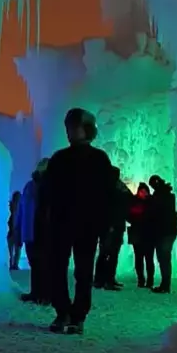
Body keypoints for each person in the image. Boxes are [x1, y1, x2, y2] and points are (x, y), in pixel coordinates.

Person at [42, 107, 117, 335]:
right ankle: (64, 312)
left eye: (73, 127)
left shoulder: (97, 159)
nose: (69, 132)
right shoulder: (60, 159)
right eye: (68, 127)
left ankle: (76, 315)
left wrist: (106, 227)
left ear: (86, 129)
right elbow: (48, 194)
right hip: (65, 223)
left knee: (82, 272)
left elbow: (106, 196)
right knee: (61, 269)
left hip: (83, 225)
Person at [16, 159, 50, 305]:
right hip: (31, 230)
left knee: (45, 264)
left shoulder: (52, 186)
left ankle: (45, 294)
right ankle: (36, 292)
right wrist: (18, 228)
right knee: (35, 263)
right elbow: (21, 210)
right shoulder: (29, 186)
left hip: (46, 231)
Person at [94, 168, 130, 291]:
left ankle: (101, 280)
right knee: (110, 254)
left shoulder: (107, 188)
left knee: (105, 253)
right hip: (112, 226)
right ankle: (107, 280)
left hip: (110, 226)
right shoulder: (113, 189)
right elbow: (124, 201)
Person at [148, 174, 177, 294]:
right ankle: (166, 284)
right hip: (169, 231)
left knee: (163, 258)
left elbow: (154, 215)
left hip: (163, 232)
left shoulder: (158, 197)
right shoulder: (170, 196)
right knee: (165, 258)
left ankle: (165, 285)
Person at [127, 182, 155, 288]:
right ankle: (141, 279)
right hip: (138, 233)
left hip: (147, 234)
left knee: (148, 258)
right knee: (139, 257)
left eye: (145, 192)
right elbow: (128, 215)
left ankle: (149, 280)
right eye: (142, 191)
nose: (143, 194)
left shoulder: (150, 202)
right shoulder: (134, 201)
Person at [7, 191, 23, 270]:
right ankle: (13, 264)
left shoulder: (15, 208)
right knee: (13, 249)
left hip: (15, 232)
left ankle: (14, 264)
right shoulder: (20, 208)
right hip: (13, 232)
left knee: (15, 249)